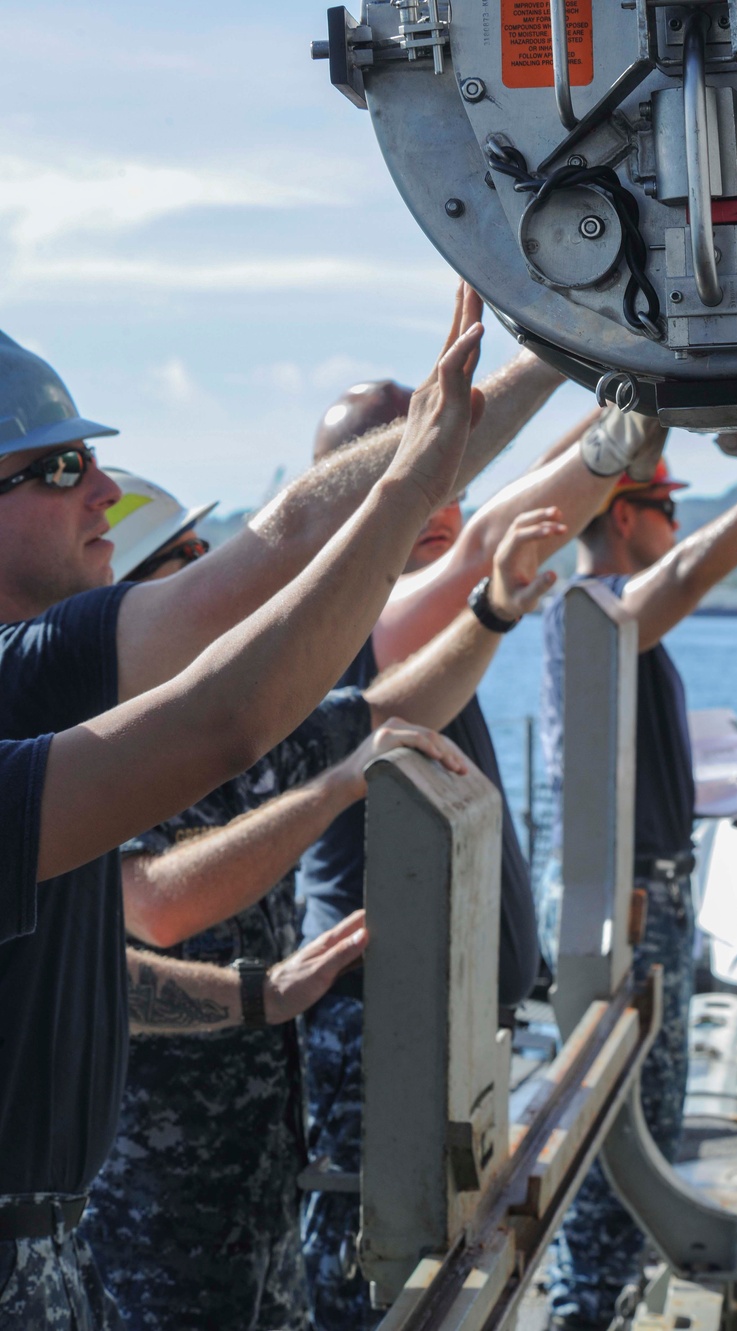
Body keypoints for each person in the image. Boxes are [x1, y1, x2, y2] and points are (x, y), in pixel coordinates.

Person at [0, 288, 493, 1329]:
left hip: (69, 1239)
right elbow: (224, 722)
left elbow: (278, 543)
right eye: (55, 468)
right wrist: (412, 478)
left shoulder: (31, 679)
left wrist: (571, 362)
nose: (101, 491)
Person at [81, 471, 564, 1331]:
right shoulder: (93, 758)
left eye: (206, 554)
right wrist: (334, 789)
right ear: (121, 609)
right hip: (158, 1207)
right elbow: (154, 904)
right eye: (179, 561)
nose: (208, 579)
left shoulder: (236, 729)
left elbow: (388, 707)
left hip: (262, 1180)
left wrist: (494, 608)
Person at [299, 389, 667, 1327]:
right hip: (377, 1030)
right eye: (425, 484)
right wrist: (623, 427)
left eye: (454, 482)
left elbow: (505, 514)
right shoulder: (345, 620)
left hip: (449, 1027)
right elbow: (484, 545)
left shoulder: (412, 590)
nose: (451, 505)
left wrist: (613, 405)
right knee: (370, 1293)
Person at [537, 458, 737, 1330]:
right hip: (631, 910)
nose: (676, 525)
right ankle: (587, 1309)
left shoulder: (614, 625)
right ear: (623, 514)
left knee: (646, 1126)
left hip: (651, 895)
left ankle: (604, 1301)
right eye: (665, 506)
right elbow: (691, 572)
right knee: (619, 1144)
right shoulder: (600, 614)